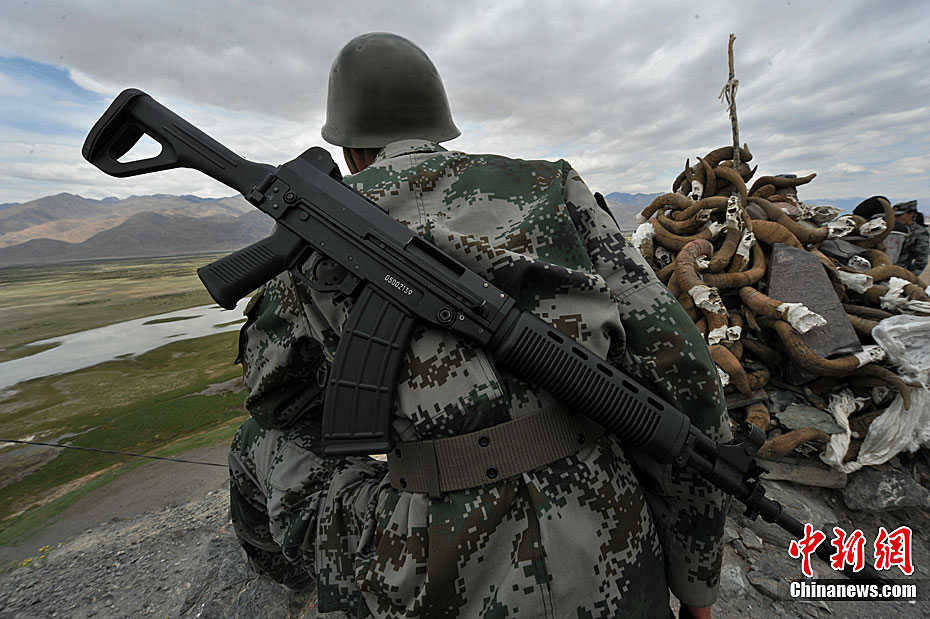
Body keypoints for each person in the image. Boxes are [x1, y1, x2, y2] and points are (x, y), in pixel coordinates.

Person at [227, 32, 730, 618]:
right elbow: (680, 368)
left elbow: (273, 397)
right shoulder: (551, 186)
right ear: (440, 126)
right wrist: (697, 583)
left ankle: (294, 585)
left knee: (257, 441)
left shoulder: (320, 229)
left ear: (348, 149)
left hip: (428, 568)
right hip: (613, 548)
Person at [893, 200, 929, 276]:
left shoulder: (919, 232)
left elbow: (921, 260)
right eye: (894, 216)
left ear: (911, 214)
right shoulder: (892, 230)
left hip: (901, 274)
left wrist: (909, 277)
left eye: (899, 215)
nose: (896, 218)